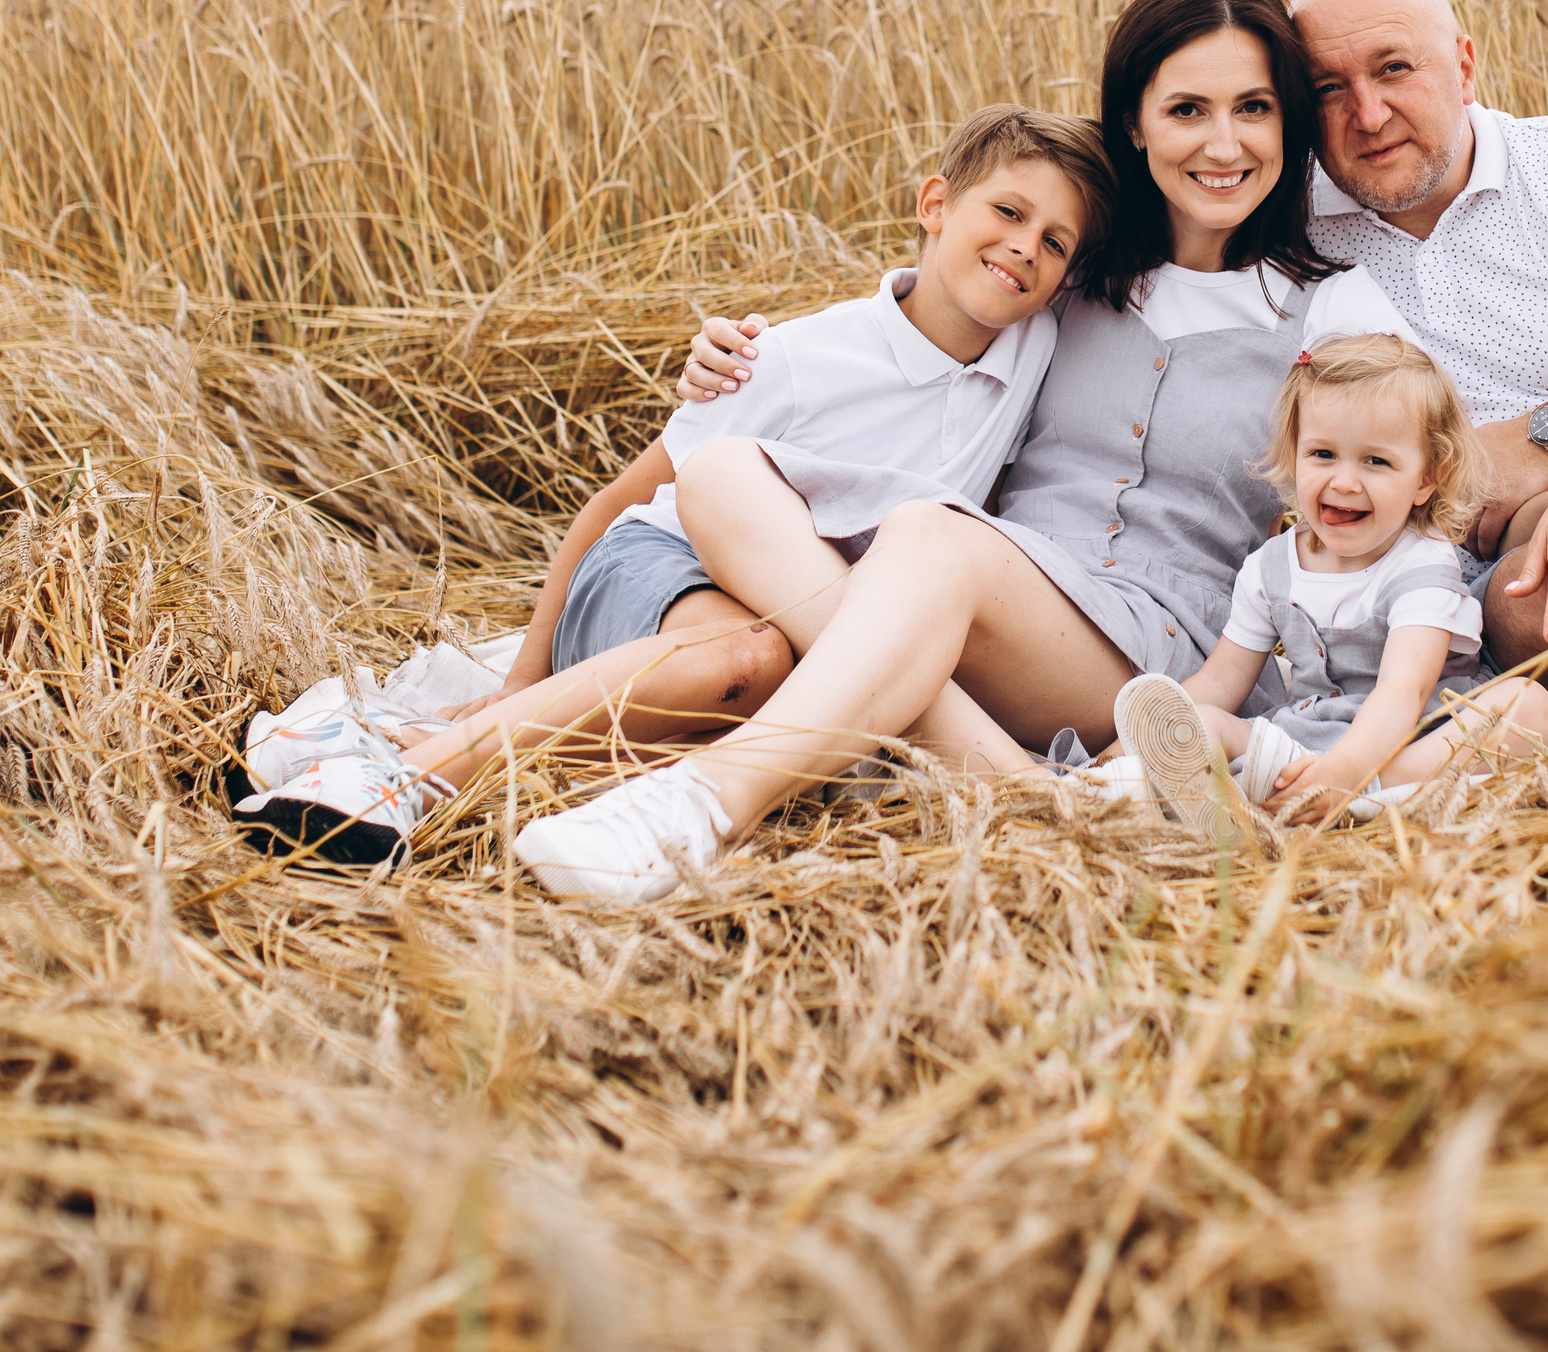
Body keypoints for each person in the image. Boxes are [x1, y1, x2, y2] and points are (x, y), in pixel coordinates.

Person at [684, 0, 1548, 791]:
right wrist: (763, 354)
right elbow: (999, 265)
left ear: (1465, 64)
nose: (1366, 112)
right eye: (1326, 88)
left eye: (1395, 70)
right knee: (1547, 584)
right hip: (1538, 587)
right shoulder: (1296, 225)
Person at [510, 0, 1548, 903]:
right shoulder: (1068, 273)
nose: (1222, 143)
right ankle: (1024, 792)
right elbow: (912, 330)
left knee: (927, 536)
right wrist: (741, 356)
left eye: (1253, 109)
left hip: (1154, 645)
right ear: (1134, 123)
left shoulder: (1327, 309)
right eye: (1187, 110)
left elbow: (1429, 468)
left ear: (1287, 124)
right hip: (981, 597)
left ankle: (702, 807)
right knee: (722, 473)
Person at [231, 104, 1113, 865]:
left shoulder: (1035, 350)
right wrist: (523, 676)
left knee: (812, 727)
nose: (1023, 247)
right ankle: (403, 779)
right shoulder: (794, 358)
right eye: (1007, 211)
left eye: (1054, 243)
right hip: (662, 561)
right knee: (752, 660)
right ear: (935, 205)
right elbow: (618, 502)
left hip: (804, 608)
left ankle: (386, 741)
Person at [1113, 333, 1548, 837]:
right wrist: (1124, 744)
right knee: (1203, 722)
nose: (1344, 482)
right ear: (1294, 456)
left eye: (1376, 461)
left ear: (1426, 479)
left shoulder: (1422, 564)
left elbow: (1404, 688)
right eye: (1323, 453)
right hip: (1303, 740)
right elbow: (1220, 682)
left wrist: (1346, 770)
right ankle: (1122, 785)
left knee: (1529, 707)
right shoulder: (1270, 568)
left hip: (1414, 738)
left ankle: (1363, 796)